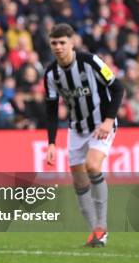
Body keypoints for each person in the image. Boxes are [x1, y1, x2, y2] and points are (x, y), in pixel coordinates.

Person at [44, 23, 124, 247]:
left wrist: (109, 121)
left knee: (93, 166)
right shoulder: (51, 73)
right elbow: (51, 109)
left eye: (62, 42)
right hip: (76, 129)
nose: (58, 47)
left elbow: (118, 88)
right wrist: (51, 143)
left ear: (72, 42)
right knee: (79, 181)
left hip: (101, 124)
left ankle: (102, 228)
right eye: (54, 43)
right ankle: (94, 233)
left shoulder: (91, 62)